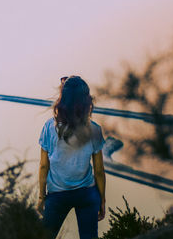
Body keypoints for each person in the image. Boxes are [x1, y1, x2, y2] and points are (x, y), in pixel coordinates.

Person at [37, 75, 106, 239]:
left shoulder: (49, 127)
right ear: (86, 101)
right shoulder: (94, 130)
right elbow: (99, 171)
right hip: (87, 194)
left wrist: (41, 197)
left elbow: (43, 166)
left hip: (57, 195)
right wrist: (101, 200)